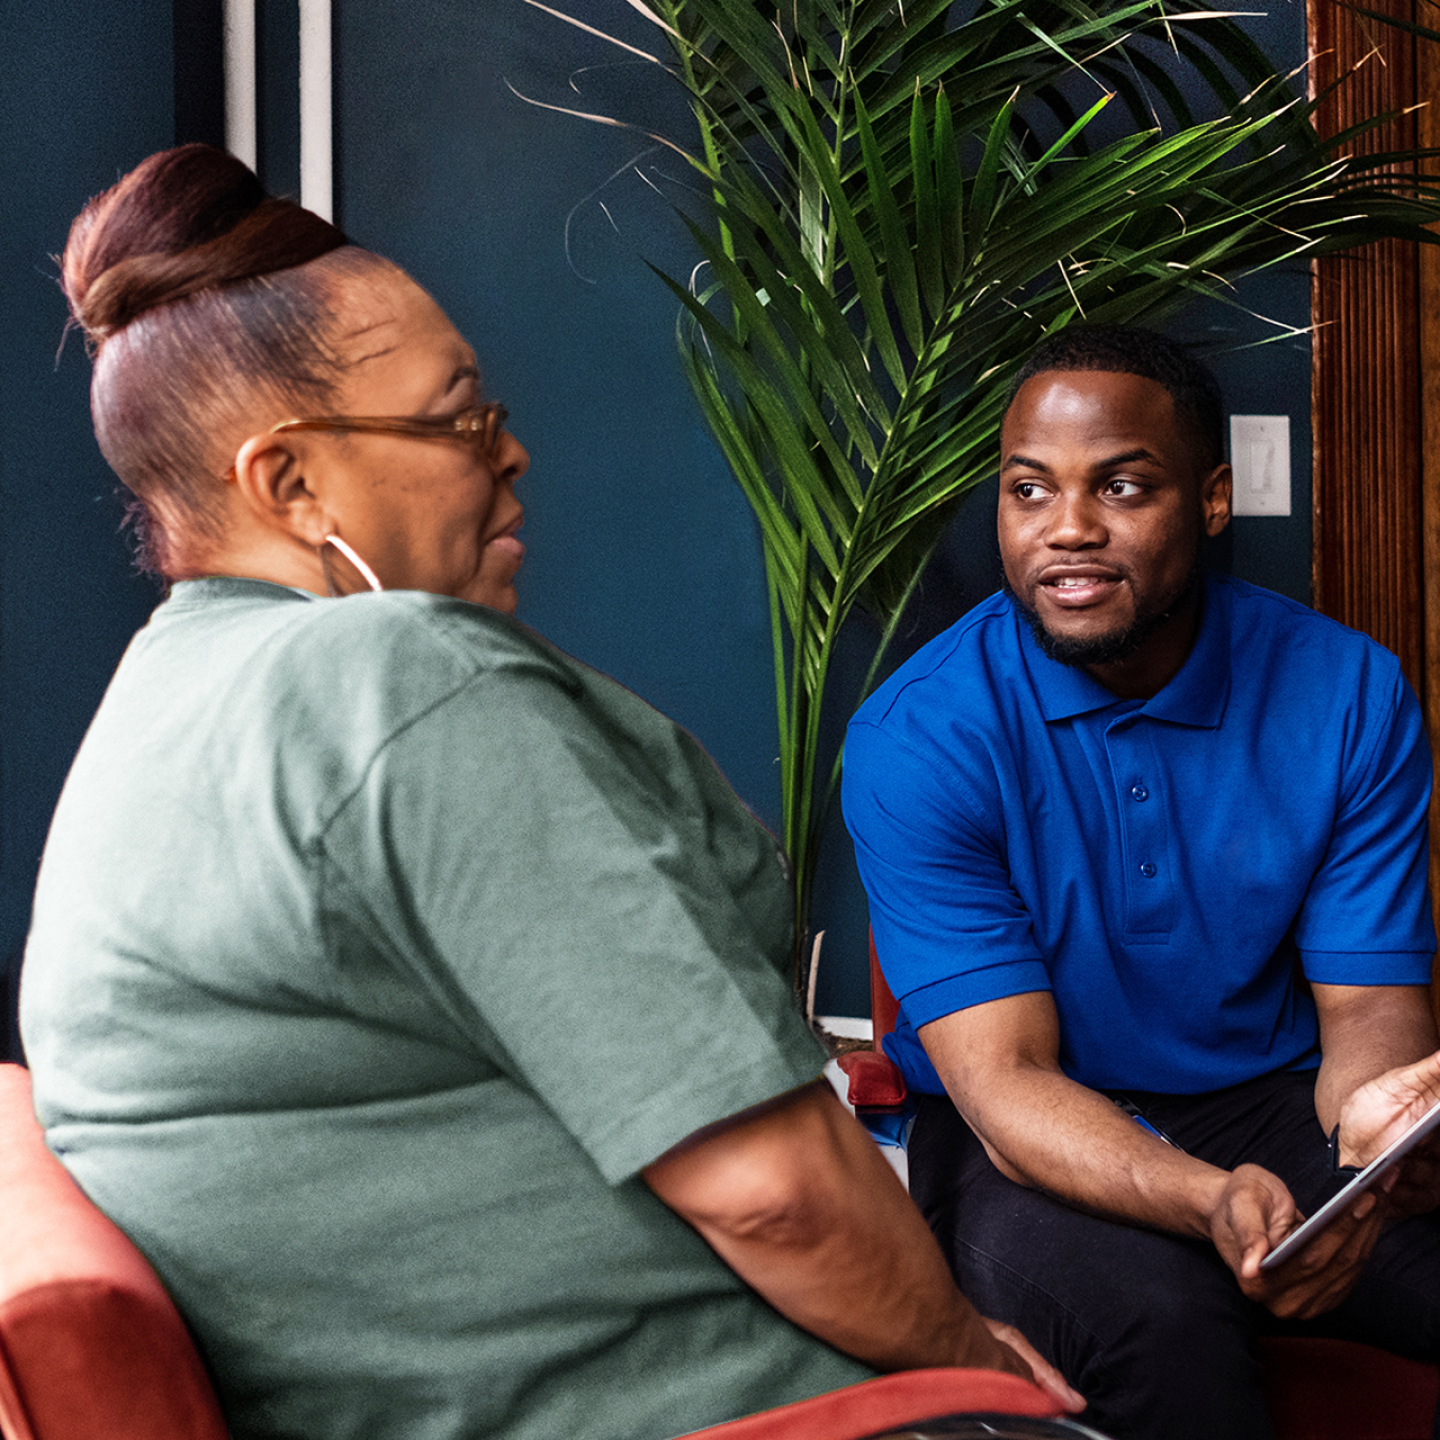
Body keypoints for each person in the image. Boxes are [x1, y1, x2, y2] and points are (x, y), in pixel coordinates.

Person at [16, 145, 1084, 1440]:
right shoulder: (394, 678)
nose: (510, 453)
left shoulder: (160, 702)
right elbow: (772, 1192)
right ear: (289, 482)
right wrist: (976, 1367)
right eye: (457, 415)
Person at [842, 325, 1440, 1440]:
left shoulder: (1348, 689)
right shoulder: (919, 736)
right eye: (1030, 491)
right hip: (1019, 1130)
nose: (1068, 529)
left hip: (1266, 1095)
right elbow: (1009, 1087)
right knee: (1163, 1326)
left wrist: (1371, 1161)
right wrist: (1207, 1198)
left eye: (1122, 486)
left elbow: (1370, 1015)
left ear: (1211, 501)